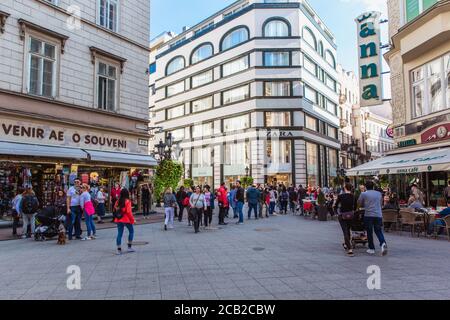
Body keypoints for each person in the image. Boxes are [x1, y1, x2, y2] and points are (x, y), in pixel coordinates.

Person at [358, 180, 388, 256]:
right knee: (378, 230)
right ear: (373, 186)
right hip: (378, 214)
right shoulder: (379, 194)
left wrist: (365, 205)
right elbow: (381, 203)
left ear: (365, 187)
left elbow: (359, 203)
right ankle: (382, 243)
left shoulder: (363, 194)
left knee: (369, 231)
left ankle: (371, 248)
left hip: (368, 214)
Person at [334, 183, 355, 257]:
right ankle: (347, 244)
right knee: (348, 230)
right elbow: (355, 207)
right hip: (351, 215)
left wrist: (337, 213)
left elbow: (335, 206)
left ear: (345, 188)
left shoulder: (341, 196)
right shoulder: (353, 196)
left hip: (343, 215)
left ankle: (350, 249)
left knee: (345, 231)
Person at [114, 188, 135, 255]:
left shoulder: (117, 201)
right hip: (126, 219)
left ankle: (119, 249)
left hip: (119, 219)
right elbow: (129, 212)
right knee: (131, 231)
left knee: (119, 233)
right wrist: (132, 220)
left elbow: (115, 208)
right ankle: (129, 247)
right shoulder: (127, 201)